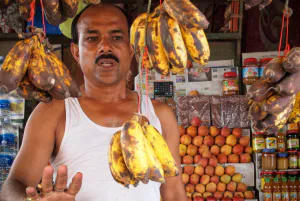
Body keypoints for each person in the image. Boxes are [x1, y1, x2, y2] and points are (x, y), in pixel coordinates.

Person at [1, 3, 187, 201]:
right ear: (76, 52)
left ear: (131, 50)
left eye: (116, 37)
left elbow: (173, 192)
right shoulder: (54, 112)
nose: (105, 46)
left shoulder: (160, 115)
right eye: (92, 38)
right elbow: (12, 186)